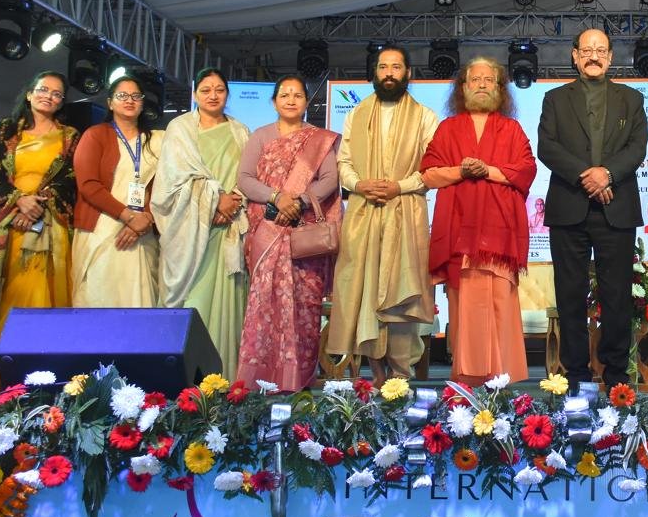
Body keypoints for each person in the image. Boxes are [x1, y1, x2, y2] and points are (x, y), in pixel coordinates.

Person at [537, 28, 648, 388]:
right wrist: (587, 177)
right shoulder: (555, 98)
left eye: (601, 50)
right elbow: (547, 147)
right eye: (586, 50)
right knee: (570, 296)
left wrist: (607, 174)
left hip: (616, 207)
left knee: (617, 296)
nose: (594, 56)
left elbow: (637, 148)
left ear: (611, 57)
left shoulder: (631, 99)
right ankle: (577, 377)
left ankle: (616, 376)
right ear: (575, 56)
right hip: (569, 207)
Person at [421, 57, 536, 386]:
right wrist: (461, 171)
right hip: (460, 234)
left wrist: (488, 171)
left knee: (501, 304)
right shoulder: (448, 128)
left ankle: (503, 380)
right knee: (465, 306)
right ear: (464, 87)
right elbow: (428, 174)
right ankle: (467, 379)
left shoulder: (512, 129)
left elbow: (526, 170)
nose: (482, 85)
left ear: (500, 89)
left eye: (490, 80)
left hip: (499, 236)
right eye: (476, 79)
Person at [327, 47, 437, 382]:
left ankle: (400, 380)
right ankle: (375, 379)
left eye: (396, 67)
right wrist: (360, 185)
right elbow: (343, 163)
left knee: (400, 297)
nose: (389, 73)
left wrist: (398, 187)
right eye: (383, 67)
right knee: (363, 294)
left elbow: (432, 169)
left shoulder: (425, 117)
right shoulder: (357, 114)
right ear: (375, 72)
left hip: (406, 213)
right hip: (364, 213)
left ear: (408, 73)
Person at [0, 71, 79, 389]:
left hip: (52, 228)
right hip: (11, 229)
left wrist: (38, 204)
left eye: (57, 93)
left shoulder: (70, 137)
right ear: (30, 94)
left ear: (62, 102)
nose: (49, 96)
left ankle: (44, 374)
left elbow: (70, 181)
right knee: (11, 299)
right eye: (43, 89)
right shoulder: (7, 131)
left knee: (45, 296)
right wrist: (18, 202)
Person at [238, 74, 341, 391]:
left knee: (304, 308)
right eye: (284, 94)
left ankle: (299, 378)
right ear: (274, 102)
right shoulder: (260, 136)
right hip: (267, 231)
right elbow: (244, 178)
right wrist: (276, 197)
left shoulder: (319, 139)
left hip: (304, 236)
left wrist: (298, 200)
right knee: (263, 307)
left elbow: (329, 179)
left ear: (307, 102)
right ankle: (260, 379)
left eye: (297, 95)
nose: (291, 100)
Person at [151, 68, 251, 378]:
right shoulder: (179, 129)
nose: (213, 95)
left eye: (219, 90)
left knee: (227, 304)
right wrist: (212, 202)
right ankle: (184, 383)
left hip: (228, 230)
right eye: (206, 90)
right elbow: (169, 185)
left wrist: (232, 202)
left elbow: (249, 177)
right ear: (195, 94)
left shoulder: (240, 131)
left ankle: (224, 382)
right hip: (190, 232)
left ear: (227, 95)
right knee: (193, 300)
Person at [72, 74, 161, 308]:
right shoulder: (95, 135)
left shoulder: (157, 140)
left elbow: (163, 187)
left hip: (142, 231)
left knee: (139, 301)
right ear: (110, 103)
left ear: (142, 103)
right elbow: (88, 185)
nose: (129, 100)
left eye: (135, 96)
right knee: (99, 299)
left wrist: (145, 218)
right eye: (122, 95)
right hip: (102, 227)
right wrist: (128, 216)